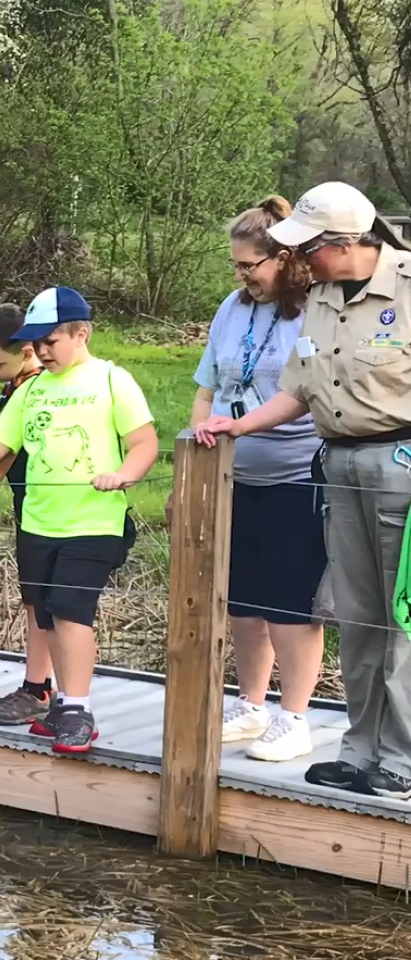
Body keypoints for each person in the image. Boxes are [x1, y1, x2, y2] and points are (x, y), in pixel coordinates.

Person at [196, 181, 411, 799]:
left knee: (401, 621)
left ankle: (399, 759)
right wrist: (237, 423)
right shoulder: (321, 296)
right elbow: (299, 390)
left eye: (307, 249)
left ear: (342, 244)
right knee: (360, 617)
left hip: (400, 464)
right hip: (340, 468)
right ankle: (361, 749)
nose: (299, 260)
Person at [0, 287, 158, 753]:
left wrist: (124, 475)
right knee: (45, 613)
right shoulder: (33, 391)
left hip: (92, 523)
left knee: (70, 612)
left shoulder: (111, 380)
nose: (41, 351)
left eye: (51, 341)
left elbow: (144, 442)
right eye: (36, 343)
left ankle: (78, 709)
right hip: (39, 523)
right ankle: (57, 702)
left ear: (80, 333)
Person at [187, 197, 325, 762]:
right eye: (236, 267)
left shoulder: (315, 309)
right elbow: (205, 388)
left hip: (296, 474)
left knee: (289, 602)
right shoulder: (231, 306)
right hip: (230, 476)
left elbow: (308, 394)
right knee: (241, 601)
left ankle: (295, 717)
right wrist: (199, 450)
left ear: (286, 259)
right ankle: (251, 705)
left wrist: (243, 425)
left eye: (251, 266)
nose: (241, 276)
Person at [0, 304, 55, 725]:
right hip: (28, 507)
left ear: (27, 352)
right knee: (33, 600)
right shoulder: (14, 386)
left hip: (49, 508)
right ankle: (37, 682)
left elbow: (0, 457)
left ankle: (40, 688)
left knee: (44, 602)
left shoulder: (35, 388)